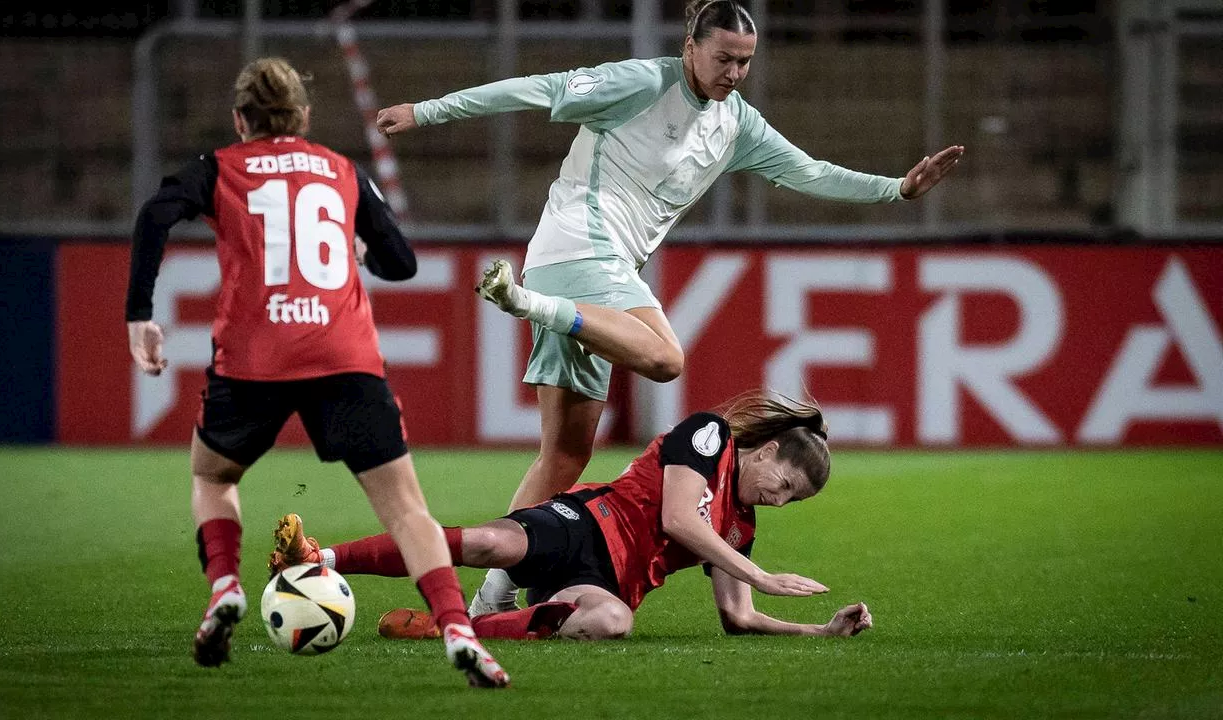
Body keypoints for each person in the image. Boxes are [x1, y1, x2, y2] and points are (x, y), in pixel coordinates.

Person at [375, 0, 964, 615]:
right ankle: (525, 302)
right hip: (579, 246)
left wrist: (896, 189)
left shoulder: (736, 124)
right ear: (690, 46)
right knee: (664, 357)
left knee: (567, 454)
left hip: (588, 274)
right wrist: (428, 110)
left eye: (744, 62)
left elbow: (807, 171)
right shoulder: (642, 82)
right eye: (723, 58)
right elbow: (537, 89)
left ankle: (489, 600)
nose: (734, 72)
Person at [125, 57, 509, 688]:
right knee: (408, 511)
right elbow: (403, 262)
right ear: (304, 115)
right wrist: (357, 250)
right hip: (343, 357)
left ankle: (224, 586)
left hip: (254, 358)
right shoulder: (342, 171)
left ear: (240, 118)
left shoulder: (219, 166)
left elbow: (154, 216)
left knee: (213, 474)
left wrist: (140, 314)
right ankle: (458, 629)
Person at [269, 390, 874, 641]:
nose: (780, 499)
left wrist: (818, 630)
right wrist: (761, 574)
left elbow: (735, 618)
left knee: (612, 623)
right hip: (584, 522)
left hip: (607, 582)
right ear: (765, 450)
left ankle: (446, 629)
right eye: (785, 483)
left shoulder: (741, 530)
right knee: (489, 544)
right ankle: (318, 557)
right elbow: (676, 520)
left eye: (793, 499)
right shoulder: (710, 435)